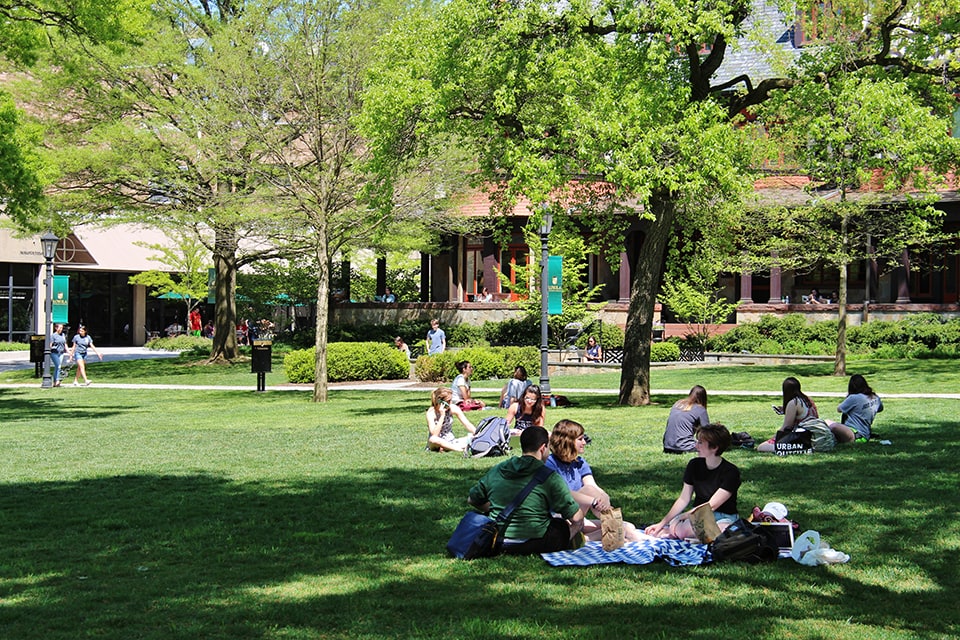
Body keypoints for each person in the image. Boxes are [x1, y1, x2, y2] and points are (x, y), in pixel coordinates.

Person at [468, 426, 585, 555]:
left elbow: (472, 499)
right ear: (543, 448)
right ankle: (567, 543)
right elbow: (576, 517)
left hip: (497, 540)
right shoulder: (550, 477)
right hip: (536, 543)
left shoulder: (499, 469)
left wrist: (494, 509)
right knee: (561, 525)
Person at [546, 419, 642, 543]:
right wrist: (594, 501)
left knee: (627, 527)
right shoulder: (550, 464)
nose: (584, 442)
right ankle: (607, 529)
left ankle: (584, 539)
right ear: (567, 441)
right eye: (580, 439)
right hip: (559, 517)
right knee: (616, 526)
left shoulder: (579, 463)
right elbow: (562, 493)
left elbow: (593, 486)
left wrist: (604, 497)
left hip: (579, 516)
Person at [645, 423, 741, 540]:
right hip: (697, 516)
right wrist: (662, 523)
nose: (696, 446)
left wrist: (684, 516)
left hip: (724, 517)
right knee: (684, 528)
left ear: (714, 447)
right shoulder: (694, 465)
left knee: (722, 531)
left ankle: (679, 533)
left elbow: (711, 506)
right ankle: (680, 532)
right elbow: (684, 498)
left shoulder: (730, 472)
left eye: (700, 442)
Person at [757, 376, 823, 453]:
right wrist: (786, 411)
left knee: (762, 447)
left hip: (802, 438)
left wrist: (772, 439)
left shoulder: (793, 403)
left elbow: (787, 427)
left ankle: (797, 449)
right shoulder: (807, 399)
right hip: (813, 435)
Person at [827, 374, 883, 443]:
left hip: (855, 434)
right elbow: (880, 409)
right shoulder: (875, 397)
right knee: (828, 422)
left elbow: (839, 409)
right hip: (866, 433)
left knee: (832, 426)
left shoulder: (854, 398)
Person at [426, 387, 476, 452]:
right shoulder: (431, 413)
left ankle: (449, 448)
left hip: (451, 441)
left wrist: (478, 434)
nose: (450, 403)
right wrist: (442, 415)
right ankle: (459, 449)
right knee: (433, 439)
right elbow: (435, 435)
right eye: (448, 401)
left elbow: (467, 424)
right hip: (436, 443)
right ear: (439, 401)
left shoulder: (453, 408)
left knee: (473, 437)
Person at [662, 385, 710, 453]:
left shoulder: (678, 404)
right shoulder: (700, 409)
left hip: (667, 446)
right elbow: (708, 431)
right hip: (684, 447)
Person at [49, 323, 69, 387]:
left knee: (57, 367)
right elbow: (50, 344)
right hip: (54, 352)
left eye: (62, 328)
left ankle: (55, 382)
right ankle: (57, 380)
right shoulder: (53, 335)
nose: (61, 329)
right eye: (60, 328)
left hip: (61, 353)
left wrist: (68, 351)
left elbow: (65, 344)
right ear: (56, 328)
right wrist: (48, 350)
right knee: (58, 366)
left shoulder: (63, 335)